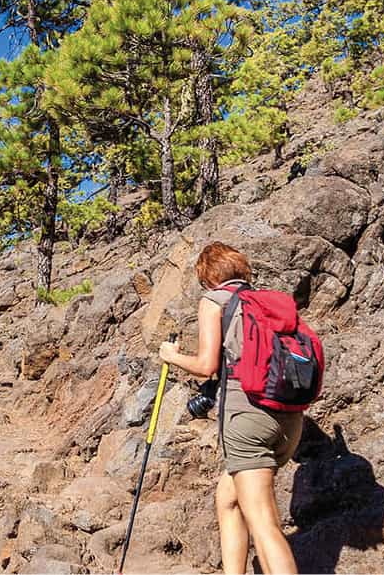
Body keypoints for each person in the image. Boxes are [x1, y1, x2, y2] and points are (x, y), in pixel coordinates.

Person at [159, 242, 303, 575]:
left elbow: (207, 365)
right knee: (229, 498)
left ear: (208, 277)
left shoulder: (214, 301)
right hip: (289, 419)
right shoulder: (267, 302)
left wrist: (171, 356)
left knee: (264, 525)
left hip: (247, 419)